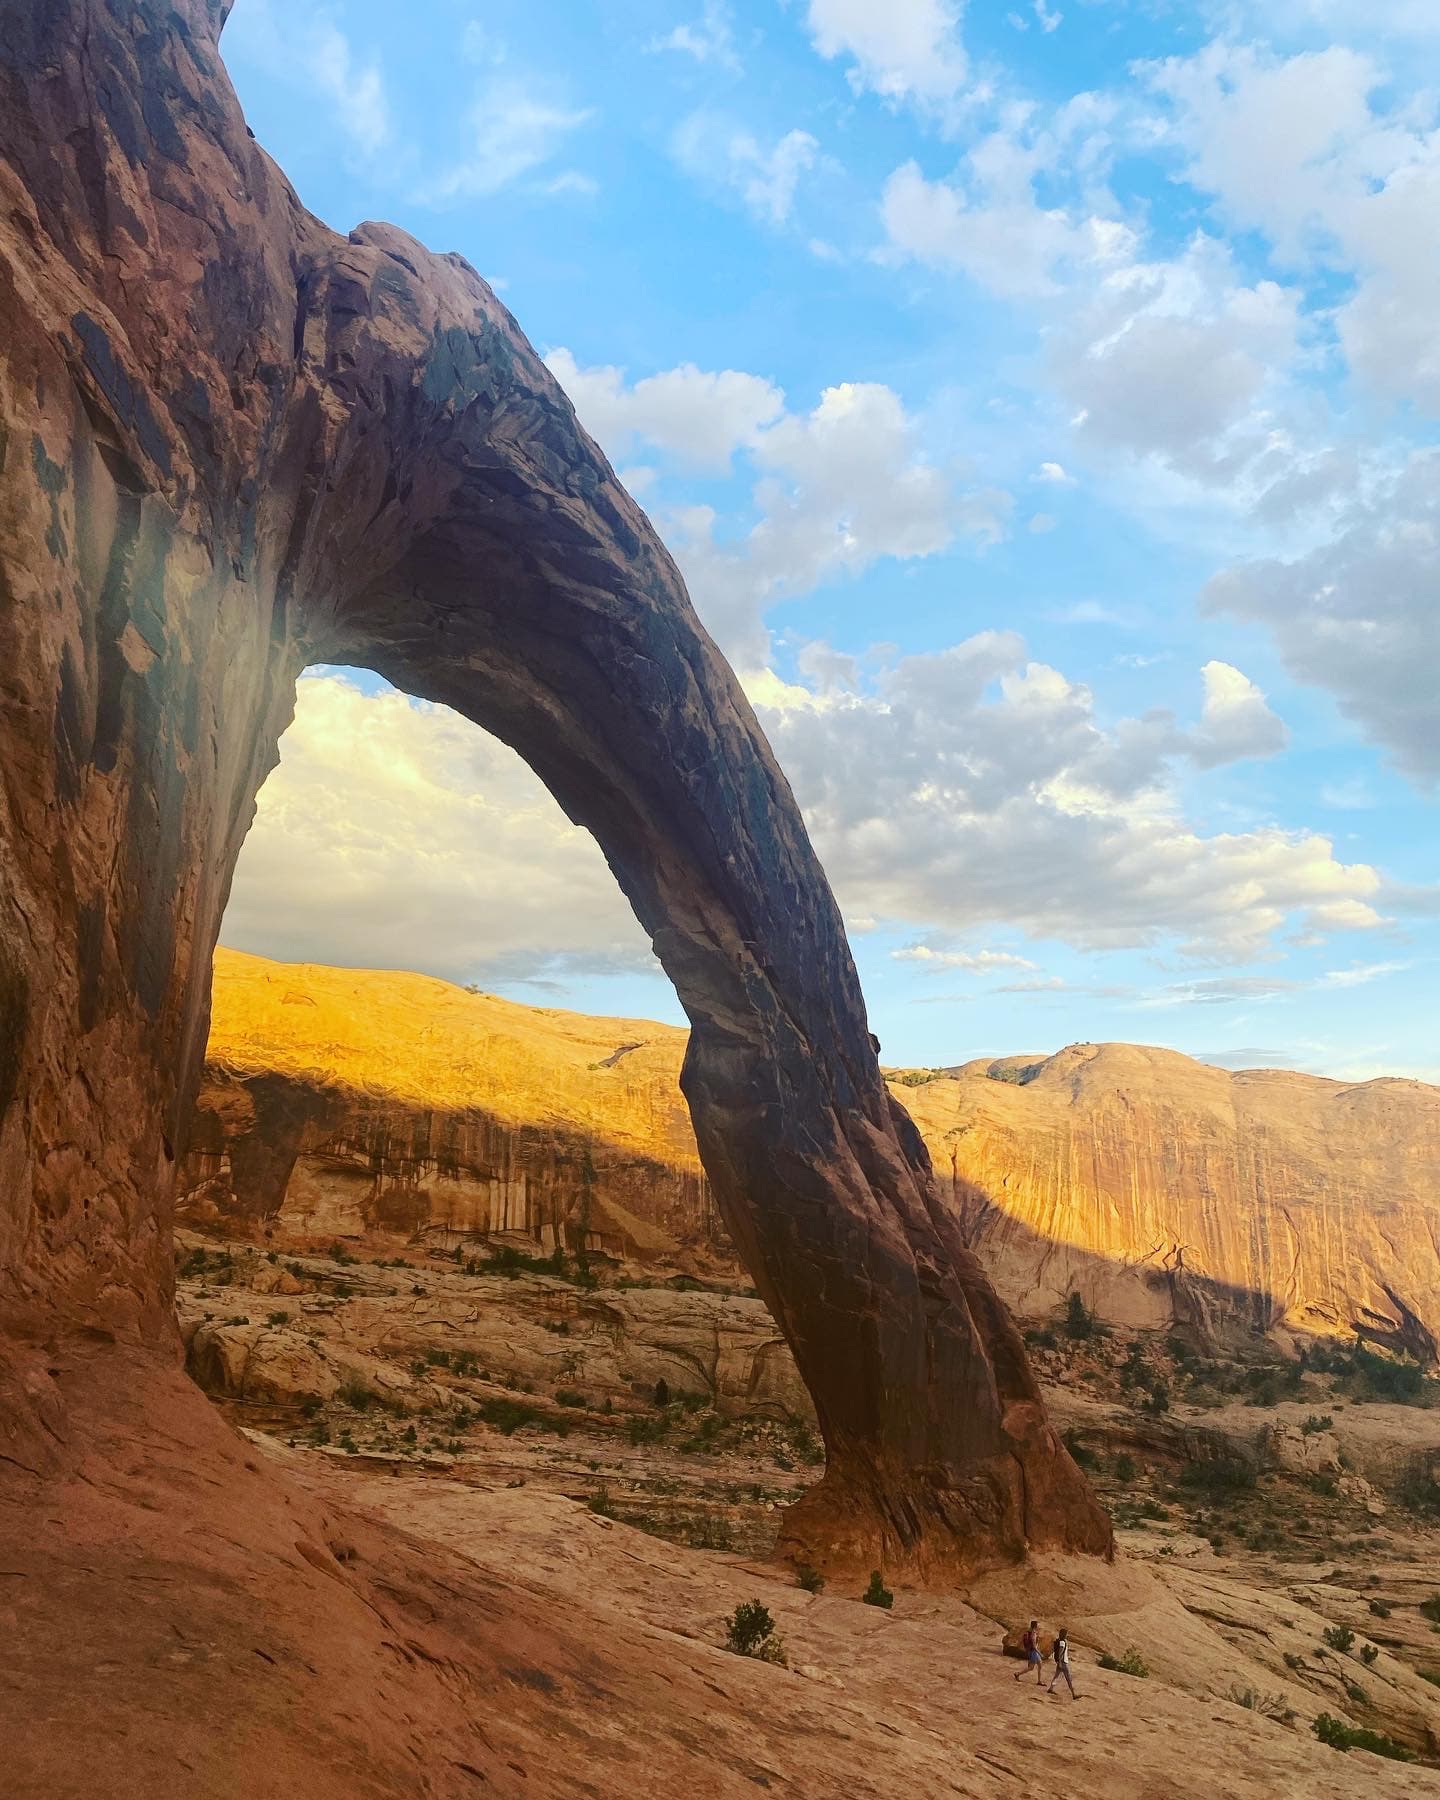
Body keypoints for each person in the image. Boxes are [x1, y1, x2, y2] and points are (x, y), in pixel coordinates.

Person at [1047, 1628, 1078, 1699]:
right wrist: (1060, 1663)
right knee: (1068, 1678)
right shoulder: (1062, 1642)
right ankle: (1074, 1694)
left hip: (1061, 1662)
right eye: (1067, 1633)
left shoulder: (1061, 1641)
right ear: (1065, 1634)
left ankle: (1051, 1689)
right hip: (1063, 1662)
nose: (1067, 1634)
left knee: (1056, 1676)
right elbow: (1060, 1653)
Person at [1014, 1620, 1044, 1684]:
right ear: (1035, 1626)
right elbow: (1034, 1646)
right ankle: (1018, 1674)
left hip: (1032, 1652)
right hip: (1034, 1652)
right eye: (1037, 1625)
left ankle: (1039, 1681)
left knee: (1040, 1664)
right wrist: (1040, 1653)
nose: (1038, 1626)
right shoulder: (1033, 1633)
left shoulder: (1029, 1631)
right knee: (1031, 1667)